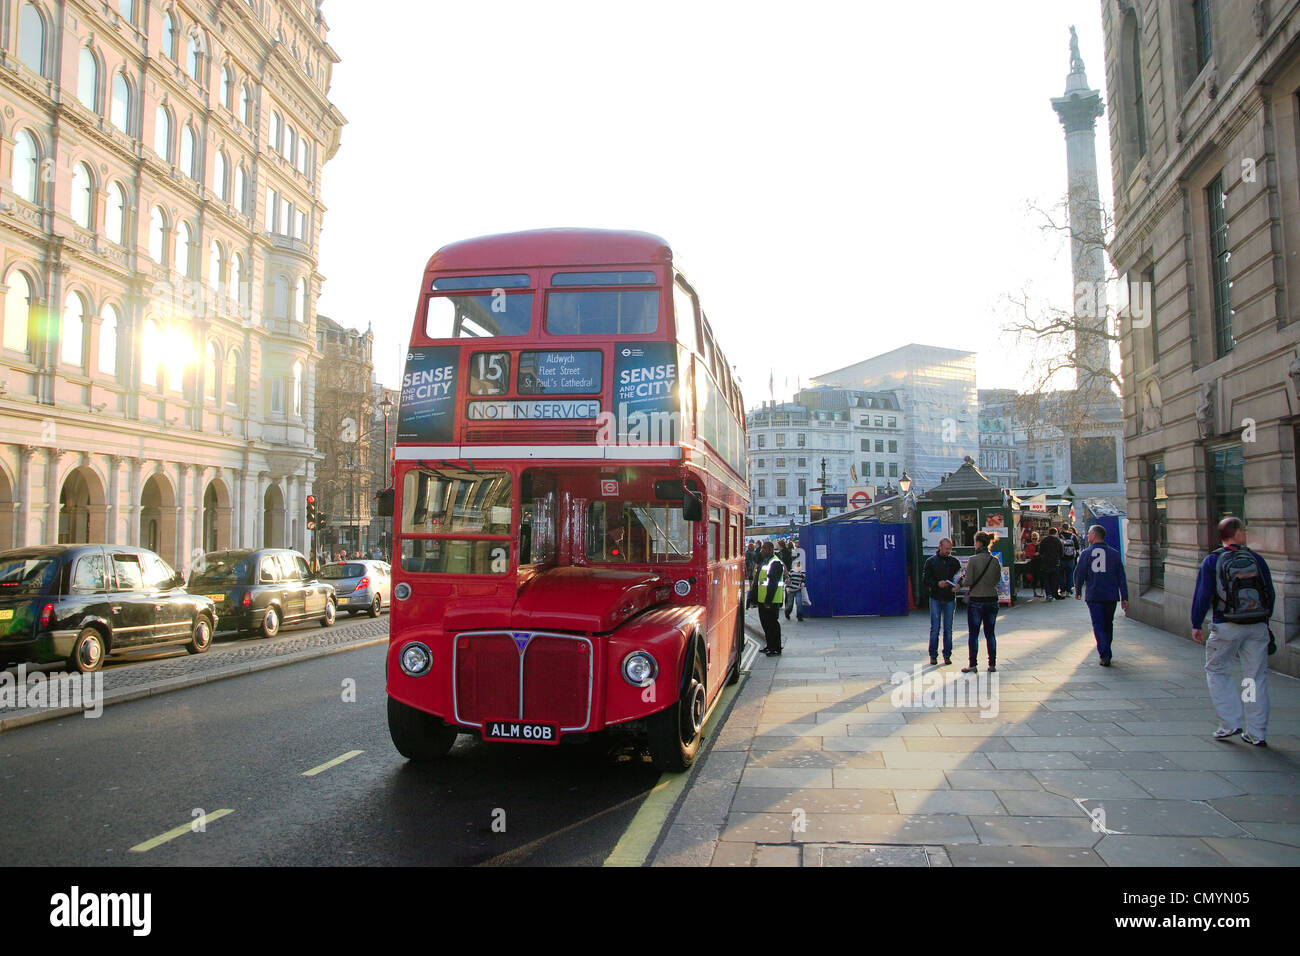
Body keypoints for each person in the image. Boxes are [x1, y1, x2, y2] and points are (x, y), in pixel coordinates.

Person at [1192, 517, 1275, 746]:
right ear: (1238, 534)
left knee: (1217, 670)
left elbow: (1203, 594)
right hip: (1257, 625)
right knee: (1253, 678)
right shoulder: (1255, 559)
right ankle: (1256, 731)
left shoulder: (1213, 560)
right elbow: (1269, 592)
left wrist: (1196, 623)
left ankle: (1229, 722)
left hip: (1226, 625)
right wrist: (1264, 620)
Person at [1073, 524, 1128, 666]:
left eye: (1089, 533)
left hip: (1094, 594)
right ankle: (1106, 650)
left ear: (1094, 535)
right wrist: (1125, 597)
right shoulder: (1114, 553)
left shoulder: (1086, 553)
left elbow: (1079, 574)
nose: (1088, 536)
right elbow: (1121, 577)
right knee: (1108, 624)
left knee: (1098, 624)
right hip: (1110, 595)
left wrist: (1078, 589)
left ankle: (1105, 653)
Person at [961, 532, 1001, 673]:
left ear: (979, 543)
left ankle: (973, 664)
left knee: (973, 634)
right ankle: (992, 664)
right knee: (990, 633)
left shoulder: (973, 560)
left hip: (976, 600)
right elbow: (997, 580)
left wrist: (961, 581)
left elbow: (969, 581)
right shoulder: (995, 560)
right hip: (991, 599)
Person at [922, 537, 961, 665]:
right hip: (936, 597)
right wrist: (937, 584)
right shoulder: (931, 562)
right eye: (946, 549)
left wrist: (958, 585)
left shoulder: (954, 562)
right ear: (940, 547)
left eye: (950, 549)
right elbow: (925, 579)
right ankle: (933, 655)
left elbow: (959, 576)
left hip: (949, 597)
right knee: (935, 628)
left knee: (948, 628)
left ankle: (947, 655)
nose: (948, 551)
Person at [747, 540, 786, 656]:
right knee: (765, 624)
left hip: (771, 601)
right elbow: (758, 582)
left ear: (770, 550)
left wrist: (768, 601)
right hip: (762, 600)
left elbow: (773, 583)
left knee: (772, 624)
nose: (762, 550)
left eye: (764, 548)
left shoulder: (775, 562)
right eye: (762, 548)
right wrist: (752, 598)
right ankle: (769, 645)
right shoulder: (765, 562)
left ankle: (776, 647)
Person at [1038, 526, 1064, 601]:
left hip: (1045, 562)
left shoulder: (1044, 540)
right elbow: (1061, 553)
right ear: (1056, 533)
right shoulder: (1058, 541)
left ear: (1049, 533)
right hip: (1055, 562)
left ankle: (1048, 594)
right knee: (1054, 579)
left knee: (1046, 579)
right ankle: (1053, 593)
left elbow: (1041, 552)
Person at [1060, 525, 1080, 598]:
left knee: (1062, 575)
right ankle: (1069, 590)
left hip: (1062, 558)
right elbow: (1077, 547)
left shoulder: (1060, 536)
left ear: (1062, 528)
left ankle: (1063, 590)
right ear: (1068, 528)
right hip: (1071, 558)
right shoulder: (1073, 536)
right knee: (1070, 574)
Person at [1023, 533, 1040, 597]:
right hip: (1032, 562)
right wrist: (1033, 554)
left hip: (1040, 562)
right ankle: (1035, 592)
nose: (1034, 540)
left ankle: (1042, 592)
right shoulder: (1029, 546)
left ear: (1038, 539)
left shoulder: (1040, 545)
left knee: (1041, 576)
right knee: (1033, 577)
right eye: (1033, 538)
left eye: (1035, 539)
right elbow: (1027, 554)